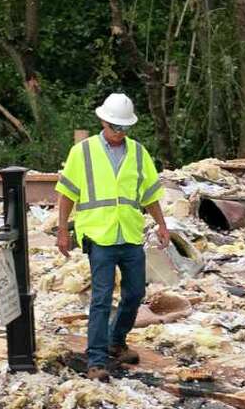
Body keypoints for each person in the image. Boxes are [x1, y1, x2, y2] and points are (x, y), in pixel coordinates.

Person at [54, 92, 170, 380]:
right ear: (103, 121)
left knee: (135, 294)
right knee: (102, 298)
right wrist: (62, 230)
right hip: (99, 235)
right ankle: (96, 360)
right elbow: (67, 193)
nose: (119, 133)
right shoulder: (83, 152)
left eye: (123, 128)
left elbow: (150, 195)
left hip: (129, 234)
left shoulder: (139, 153)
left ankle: (116, 342)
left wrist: (162, 225)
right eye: (114, 127)